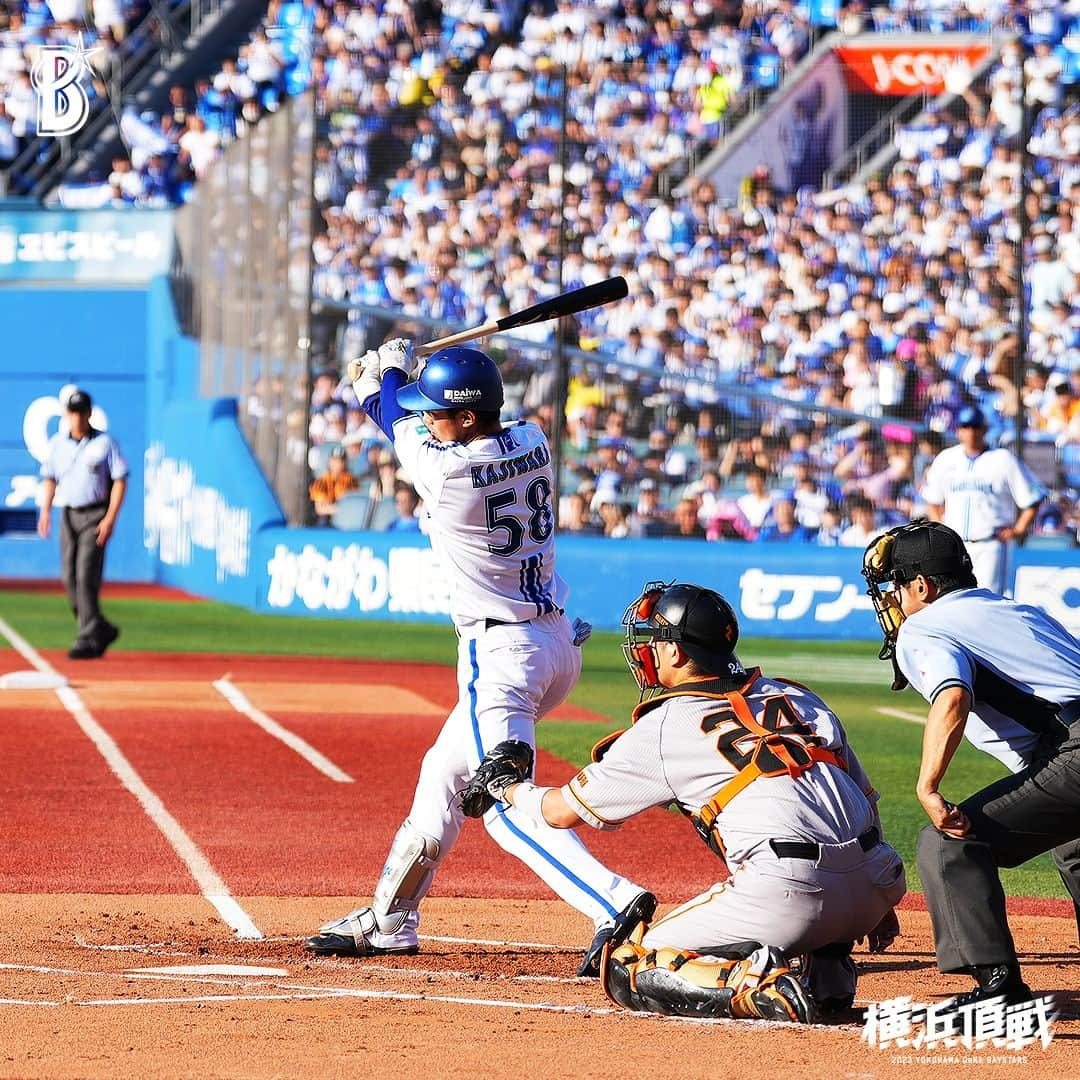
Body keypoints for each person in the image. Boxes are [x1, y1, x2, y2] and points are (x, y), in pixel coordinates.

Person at [305, 340, 653, 974]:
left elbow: (387, 411)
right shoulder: (534, 439)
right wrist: (393, 378)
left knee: (502, 802)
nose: (430, 417)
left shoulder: (449, 474)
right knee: (443, 771)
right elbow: (399, 411)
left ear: (467, 416)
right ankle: (391, 920)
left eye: (439, 409)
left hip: (503, 657)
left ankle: (615, 902)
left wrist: (380, 374)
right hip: (553, 644)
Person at [460, 581, 906, 1022]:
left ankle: (756, 988)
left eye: (653, 640)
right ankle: (829, 975)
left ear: (675, 653)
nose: (647, 651)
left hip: (791, 894)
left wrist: (506, 786)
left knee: (627, 964)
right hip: (880, 880)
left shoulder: (666, 723)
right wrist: (878, 905)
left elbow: (559, 812)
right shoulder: (795, 695)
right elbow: (866, 799)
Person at [861, 519, 1080, 1008]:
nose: (893, 598)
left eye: (897, 584)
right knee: (1073, 845)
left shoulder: (925, 624)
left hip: (1075, 750)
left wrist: (928, 786)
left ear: (923, 585)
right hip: (1069, 743)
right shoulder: (1015, 609)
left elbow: (953, 696)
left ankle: (997, 992)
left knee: (949, 844)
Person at [37, 389, 128, 660]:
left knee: (86, 575)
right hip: (68, 513)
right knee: (69, 577)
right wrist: (45, 512)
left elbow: (120, 480)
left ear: (90, 414)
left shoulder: (104, 443)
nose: (77, 418)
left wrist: (111, 517)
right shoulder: (57, 444)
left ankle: (87, 636)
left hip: (95, 514)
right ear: (66, 415)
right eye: (73, 412)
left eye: (82, 412)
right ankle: (100, 627)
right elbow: (50, 478)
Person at [920, 405, 1043, 594]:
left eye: (976, 427)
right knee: (953, 599)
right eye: (966, 426)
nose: (971, 432)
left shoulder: (1003, 459)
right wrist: (940, 530)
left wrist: (1018, 529)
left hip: (990, 545)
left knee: (988, 601)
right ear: (958, 430)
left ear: (984, 429)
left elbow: (1033, 498)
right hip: (955, 546)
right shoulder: (946, 459)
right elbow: (932, 499)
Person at [308, 445, 359, 524]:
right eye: (335, 460)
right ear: (330, 462)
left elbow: (355, 501)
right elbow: (319, 509)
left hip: (347, 518)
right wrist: (339, 509)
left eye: (341, 461)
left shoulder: (351, 480)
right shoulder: (322, 481)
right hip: (328, 519)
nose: (338, 464)